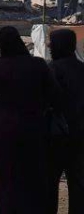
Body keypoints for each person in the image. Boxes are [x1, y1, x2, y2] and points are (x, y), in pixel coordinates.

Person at [0, 26, 58, 214]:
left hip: (4, 132)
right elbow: (55, 96)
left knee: (5, 178)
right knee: (32, 177)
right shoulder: (38, 66)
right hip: (34, 129)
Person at [48, 29, 84, 214]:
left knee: (48, 187)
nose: (48, 46)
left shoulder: (50, 69)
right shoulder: (82, 70)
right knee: (78, 188)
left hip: (54, 138)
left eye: (51, 43)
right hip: (79, 138)